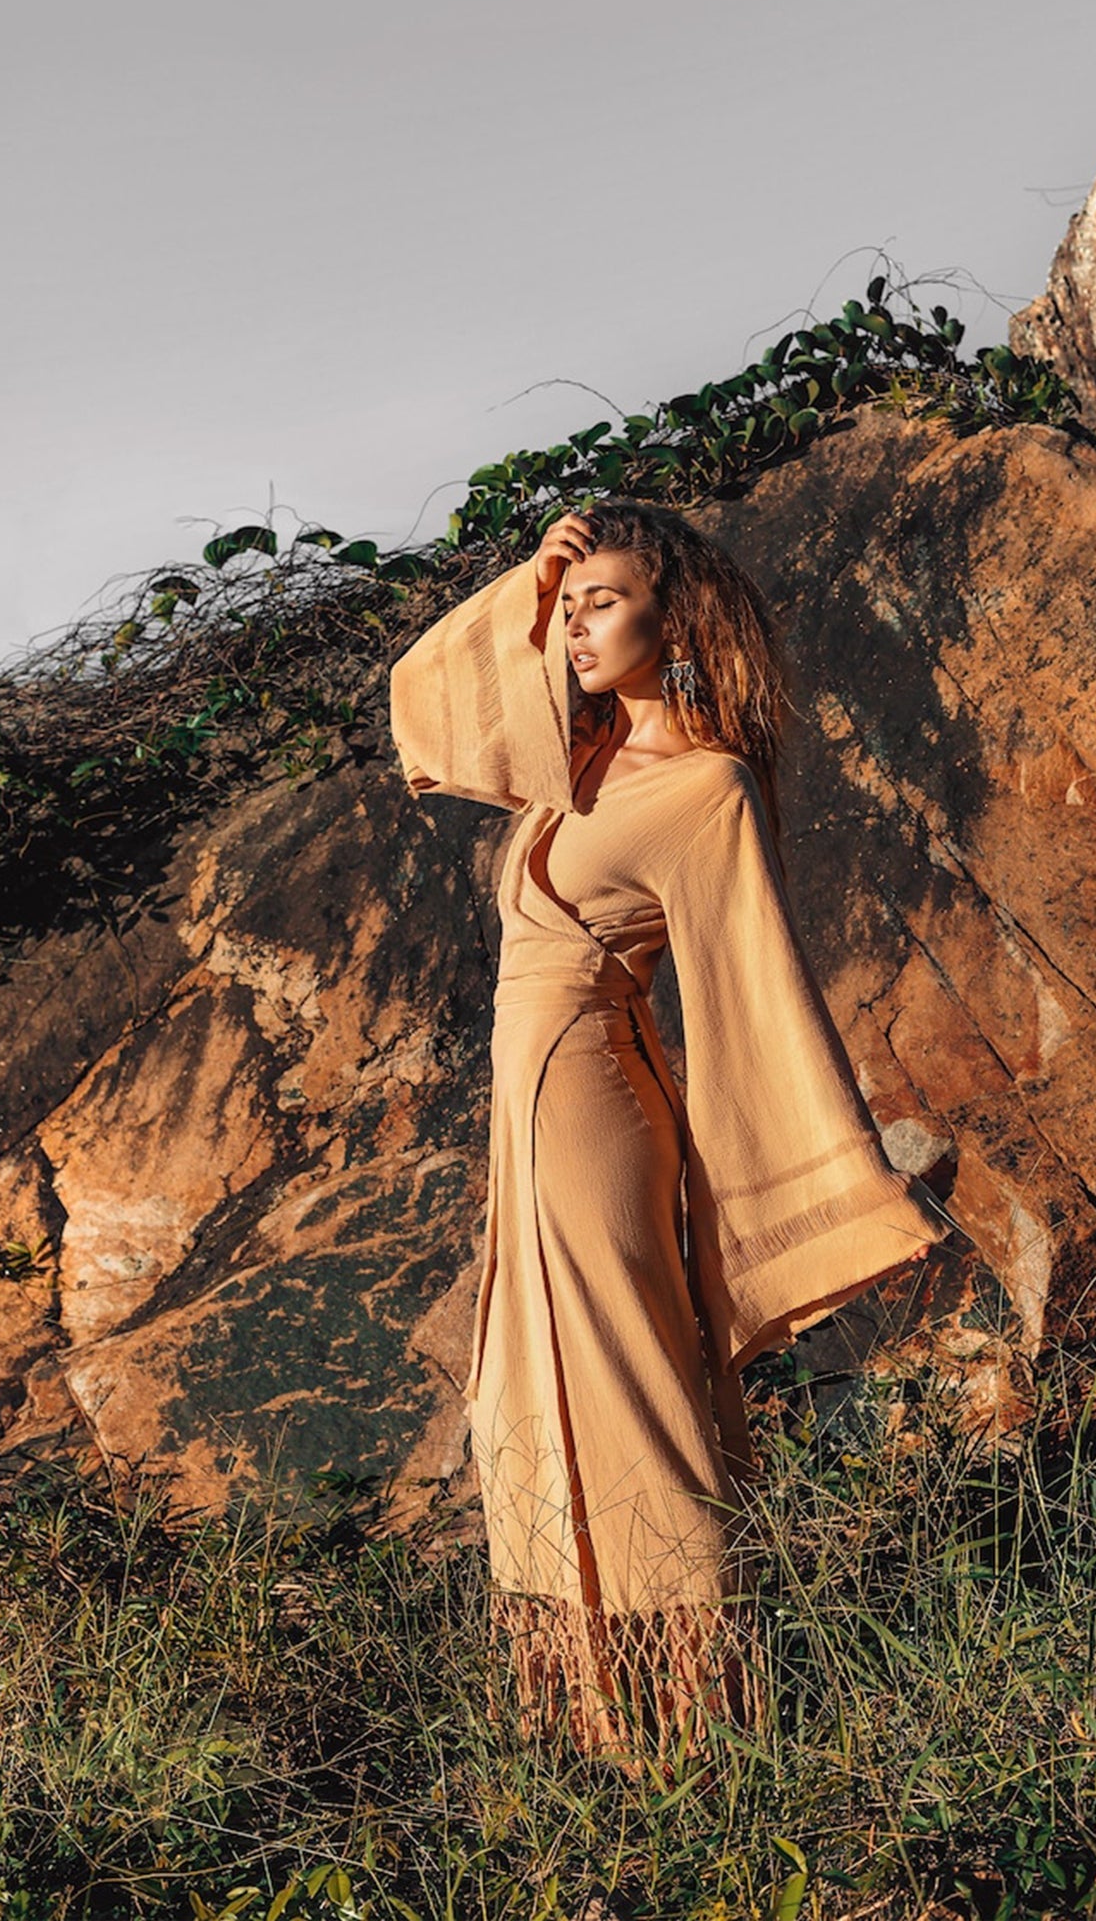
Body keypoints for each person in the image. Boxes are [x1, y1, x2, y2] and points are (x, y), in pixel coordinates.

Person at [388, 501, 956, 1759]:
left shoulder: (706, 786)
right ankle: (597, 1720)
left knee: (631, 1394)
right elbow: (421, 702)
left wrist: (801, 1172)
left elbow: (754, 983)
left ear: (676, 613)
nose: (576, 625)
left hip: (595, 1106)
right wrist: (534, 574)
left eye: (603, 600)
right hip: (526, 1114)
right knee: (523, 1401)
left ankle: (699, 1713)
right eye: (569, 606)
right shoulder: (569, 757)